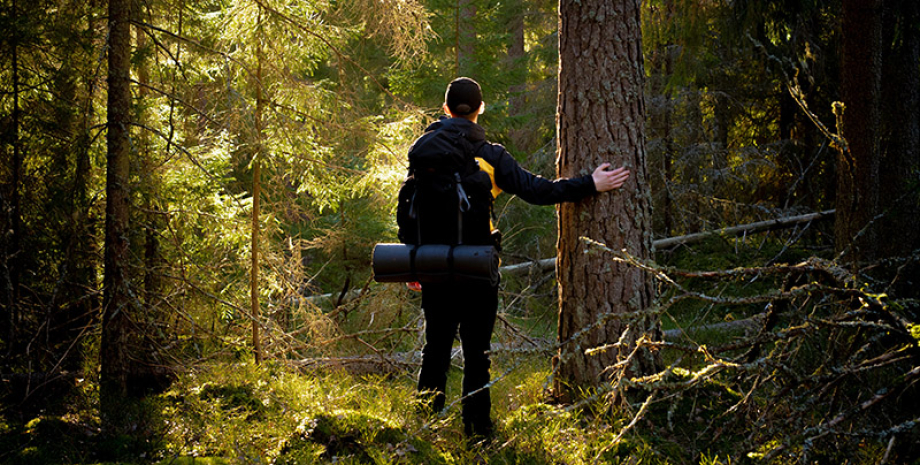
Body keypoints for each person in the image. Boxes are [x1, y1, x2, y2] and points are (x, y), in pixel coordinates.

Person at [413, 77, 630, 440]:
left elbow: (410, 209)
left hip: (433, 265)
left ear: (446, 109)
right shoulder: (491, 156)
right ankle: (478, 434)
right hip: (478, 267)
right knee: (477, 354)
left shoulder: (423, 152)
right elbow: (538, 190)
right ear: (481, 109)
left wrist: (416, 259)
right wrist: (590, 184)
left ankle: (422, 428)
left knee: (435, 347)